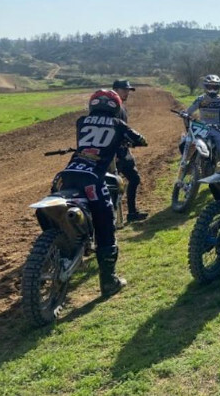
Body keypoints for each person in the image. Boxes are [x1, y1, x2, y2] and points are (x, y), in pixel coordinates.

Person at [54, 89, 147, 296]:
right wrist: (131, 140)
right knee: (106, 223)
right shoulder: (119, 125)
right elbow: (140, 139)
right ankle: (108, 282)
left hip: (67, 175)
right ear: (116, 107)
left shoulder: (81, 121)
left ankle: (66, 245)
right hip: (93, 179)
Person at [112, 79, 147, 222]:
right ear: (116, 90)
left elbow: (122, 130)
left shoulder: (122, 107)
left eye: (128, 90)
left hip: (123, 150)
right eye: (124, 90)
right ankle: (114, 218)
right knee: (113, 185)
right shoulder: (113, 108)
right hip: (116, 153)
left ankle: (131, 213)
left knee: (134, 179)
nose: (127, 92)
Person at [185, 74, 220, 161]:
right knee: (188, 141)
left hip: (217, 129)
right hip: (203, 127)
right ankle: (187, 162)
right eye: (210, 87)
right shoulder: (201, 99)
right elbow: (190, 110)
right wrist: (185, 114)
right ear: (205, 87)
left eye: (215, 87)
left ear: (218, 88)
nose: (212, 90)